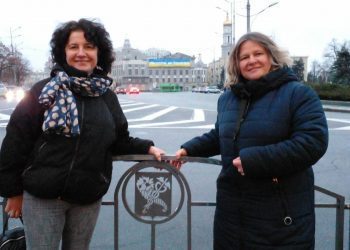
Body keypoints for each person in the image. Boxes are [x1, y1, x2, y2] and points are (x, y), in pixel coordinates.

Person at [0, 18, 164, 249]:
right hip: (43, 197)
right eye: (73, 46)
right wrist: (12, 192)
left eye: (89, 46)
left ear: (99, 53)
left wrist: (147, 148)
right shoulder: (44, 90)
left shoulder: (106, 96)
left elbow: (119, 139)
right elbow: (16, 141)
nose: (81, 53)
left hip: (87, 197)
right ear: (63, 52)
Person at [174, 32, 328, 249]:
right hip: (231, 216)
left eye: (258, 53)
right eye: (244, 57)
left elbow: (312, 142)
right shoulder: (229, 98)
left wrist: (254, 160)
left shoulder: (298, 94)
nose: (252, 60)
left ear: (271, 56)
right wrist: (188, 149)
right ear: (236, 63)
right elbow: (221, 135)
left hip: (279, 218)